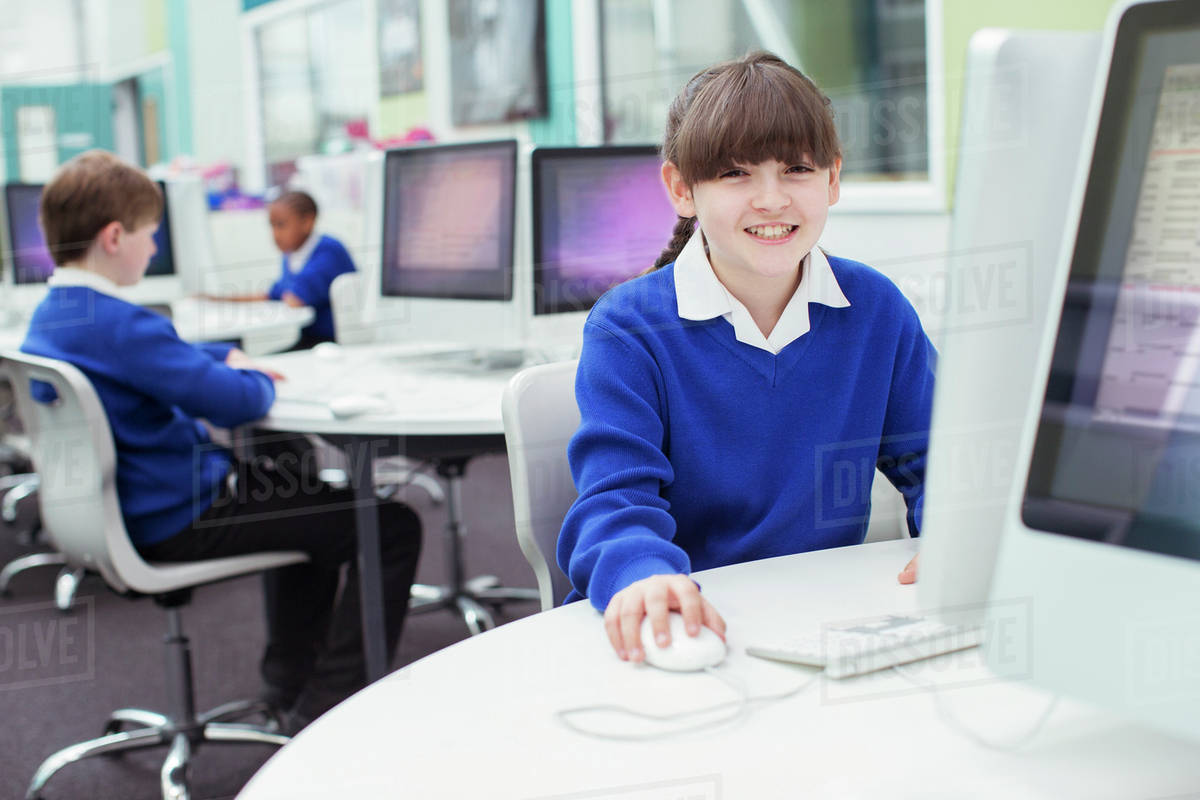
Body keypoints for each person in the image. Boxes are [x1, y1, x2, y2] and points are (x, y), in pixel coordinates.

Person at [22, 151, 421, 731]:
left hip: (121, 512)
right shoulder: (121, 323)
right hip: (182, 516)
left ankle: (285, 683)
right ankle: (331, 712)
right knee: (390, 527)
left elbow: (158, 359)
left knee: (305, 497)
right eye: (149, 235)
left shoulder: (58, 316)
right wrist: (253, 374)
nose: (154, 248)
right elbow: (234, 402)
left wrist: (214, 356)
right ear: (114, 237)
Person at [558, 52, 935, 663]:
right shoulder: (628, 329)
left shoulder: (875, 309)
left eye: (796, 170)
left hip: (823, 620)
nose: (771, 199)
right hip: (683, 626)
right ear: (682, 189)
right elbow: (614, 498)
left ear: (833, 180)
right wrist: (644, 574)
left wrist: (957, 532)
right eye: (736, 174)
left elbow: (936, 456)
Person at [208, 189, 356, 349]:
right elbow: (272, 294)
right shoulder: (291, 255)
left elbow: (295, 300)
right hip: (311, 340)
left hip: (335, 343)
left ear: (307, 222)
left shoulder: (329, 250)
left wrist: (287, 295)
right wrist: (218, 299)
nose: (275, 234)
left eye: (281, 225)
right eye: (272, 226)